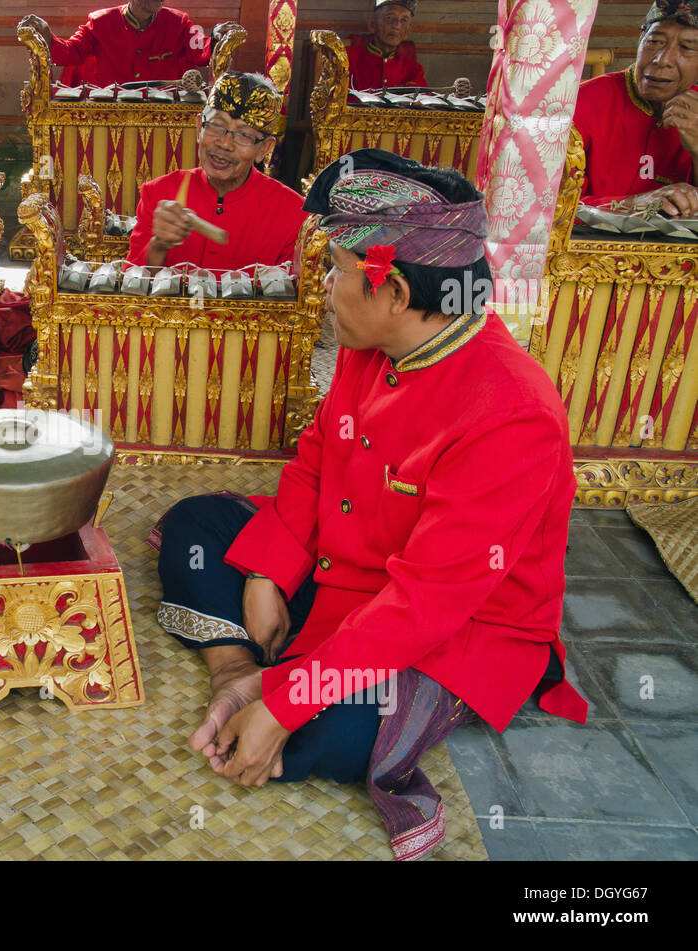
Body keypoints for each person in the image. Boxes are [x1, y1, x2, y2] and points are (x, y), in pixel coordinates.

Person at [153, 149, 586, 860]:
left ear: (392, 291)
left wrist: (289, 704)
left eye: (339, 272)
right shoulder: (376, 343)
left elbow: (427, 602)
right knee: (196, 525)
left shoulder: (513, 413)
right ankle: (236, 668)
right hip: (343, 567)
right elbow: (319, 459)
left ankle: (271, 684)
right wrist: (268, 573)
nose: (323, 287)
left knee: (337, 730)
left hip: (451, 624)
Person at [126, 71, 307, 270]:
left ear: (264, 149)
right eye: (216, 126)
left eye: (243, 135)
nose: (224, 143)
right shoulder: (159, 194)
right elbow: (131, 285)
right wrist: (158, 246)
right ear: (198, 127)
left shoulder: (293, 215)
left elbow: (295, 295)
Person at [573, 0, 698, 215]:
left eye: (686, 48)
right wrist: (629, 204)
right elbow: (548, 207)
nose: (662, 60)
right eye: (655, 42)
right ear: (640, 38)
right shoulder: (579, 104)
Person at [23, 2, 233, 88]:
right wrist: (46, 35)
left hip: (161, 115)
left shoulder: (179, 21)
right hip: (110, 114)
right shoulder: (100, 21)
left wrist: (216, 36)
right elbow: (71, 52)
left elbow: (201, 52)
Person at [344, 0, 472, 95]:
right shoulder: (349, 59)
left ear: (408, 31)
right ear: (372, 24)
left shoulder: (413, 69)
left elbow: (425, 102)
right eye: (389, 18)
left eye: (404, 20)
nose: (397, 25)